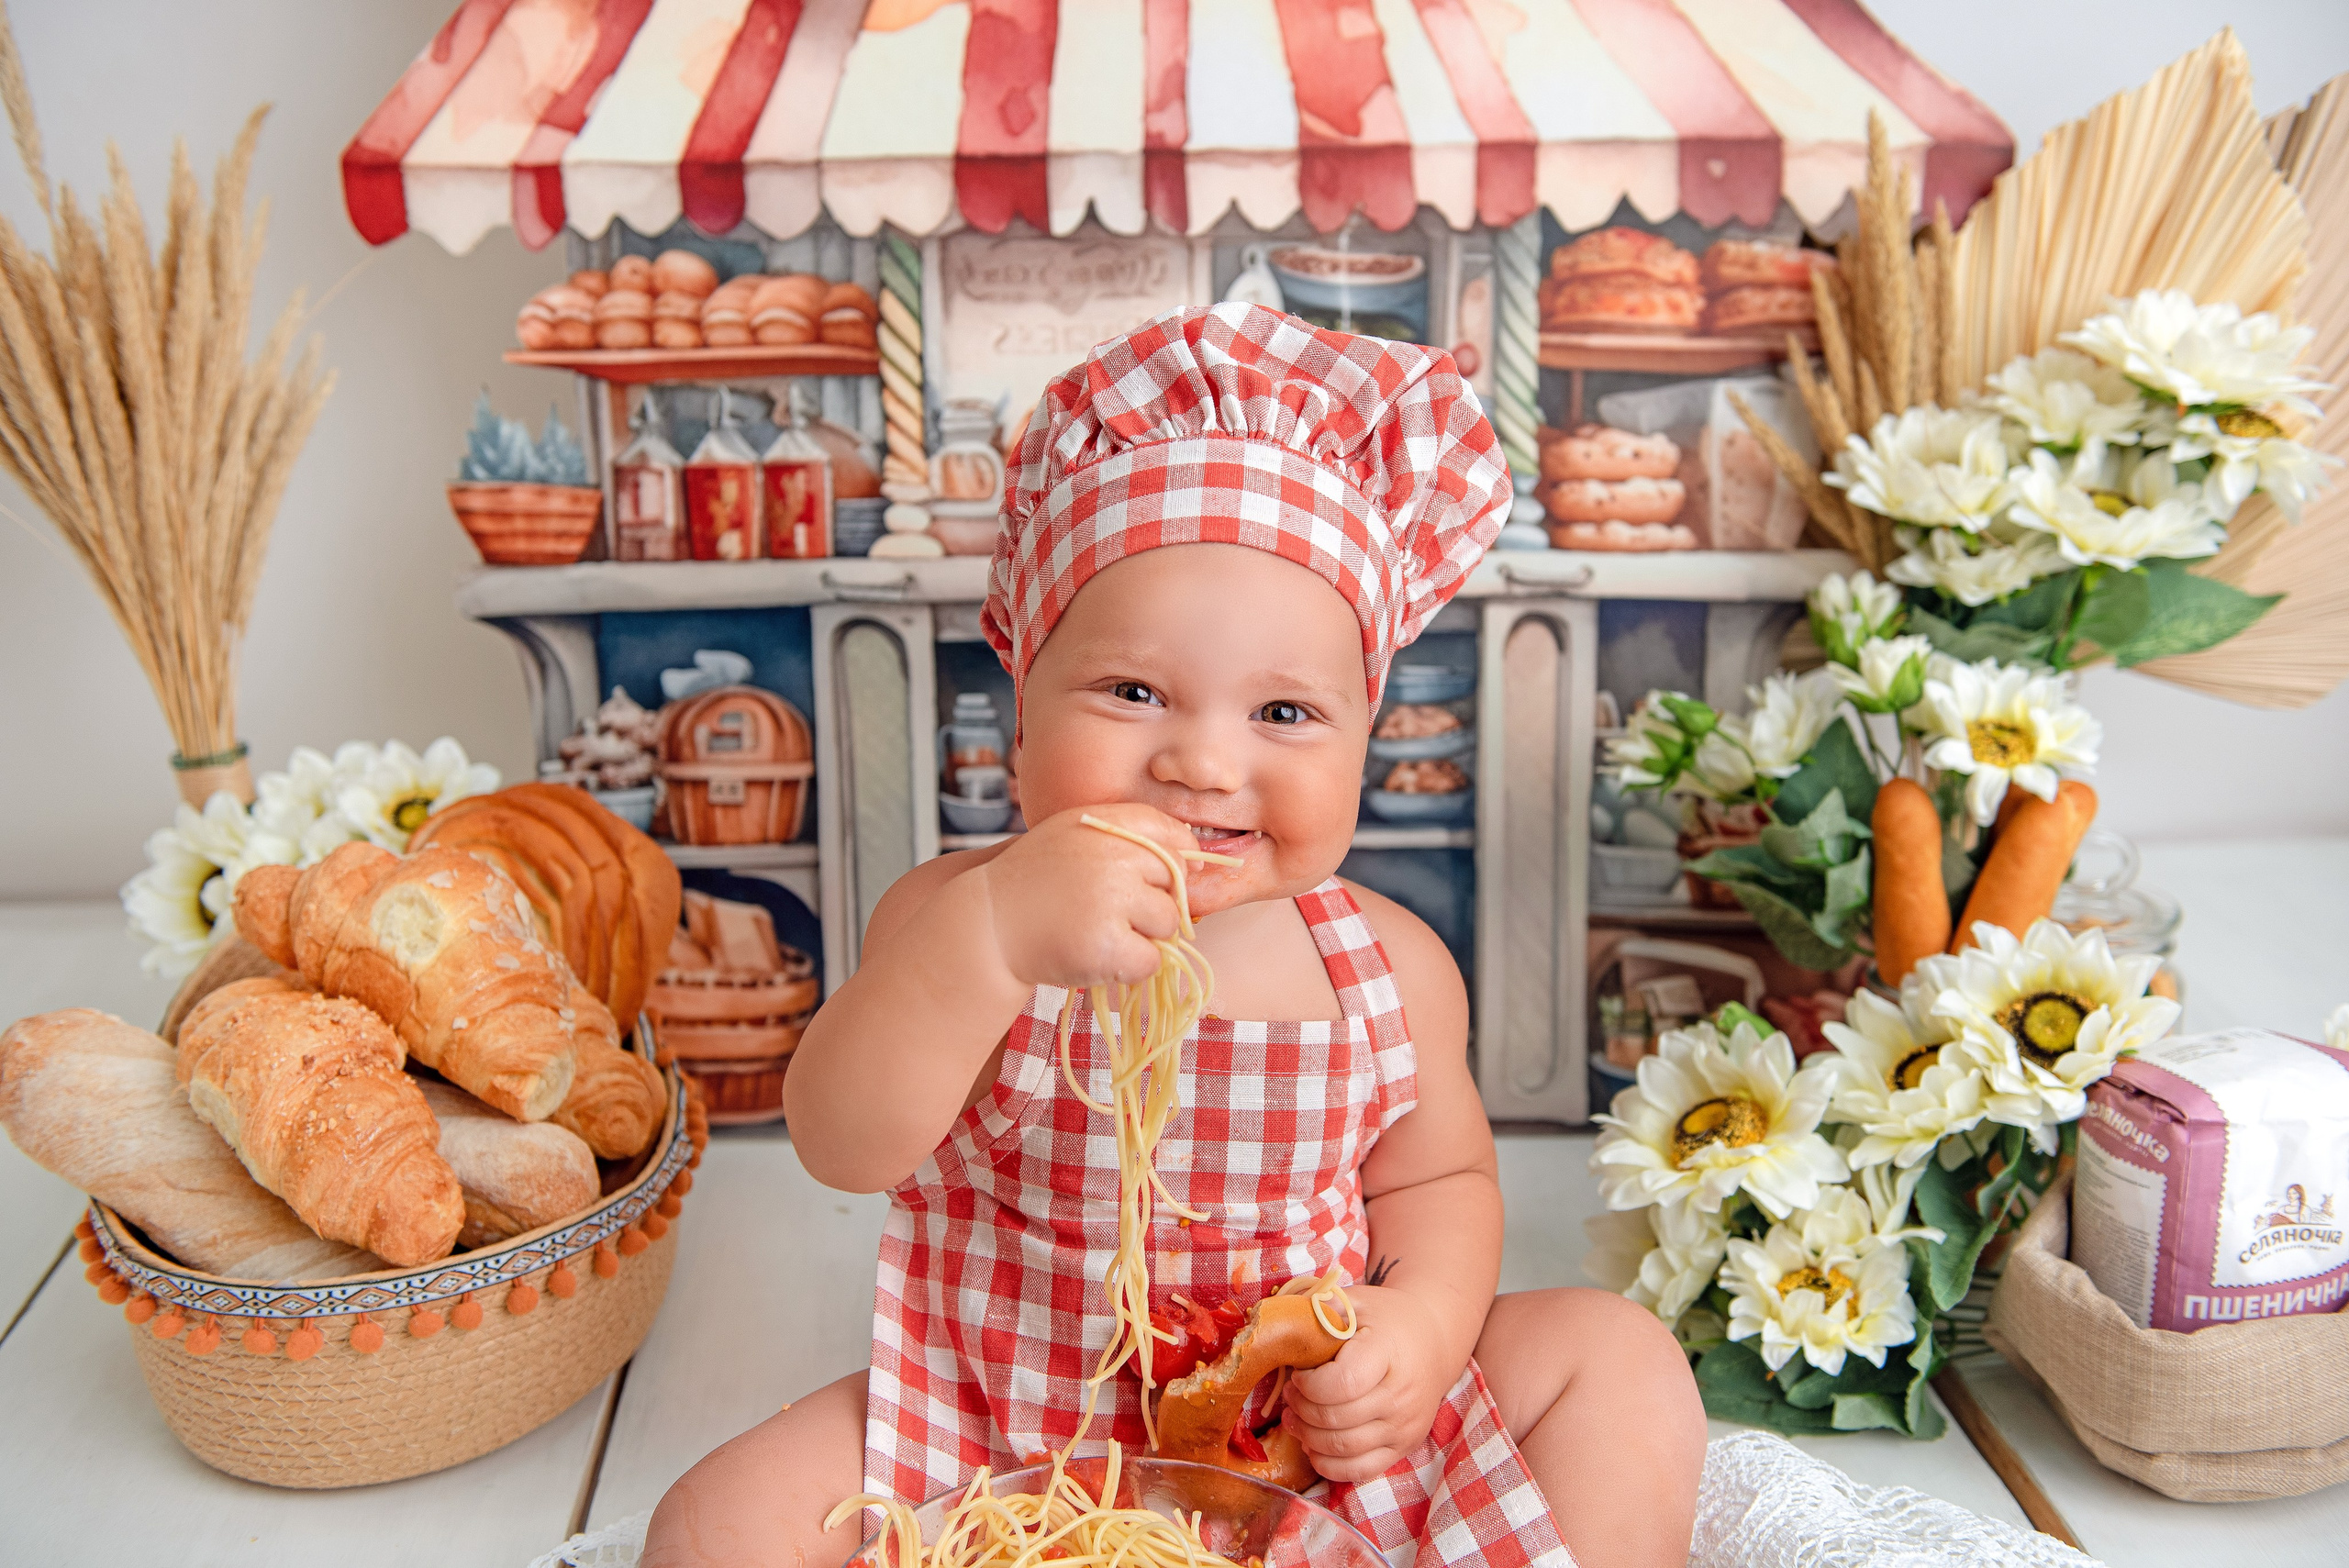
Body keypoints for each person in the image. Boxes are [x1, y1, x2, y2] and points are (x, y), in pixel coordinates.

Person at [643, 306, 1706, 1568]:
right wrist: (989, 942)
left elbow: (1439, 1183)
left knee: (1621, 1359)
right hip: (1011, 1438)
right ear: (1019, 719)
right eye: (1133, 691)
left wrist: (1416, 1329)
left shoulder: (1389, 964)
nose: (1203, 759)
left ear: (1365, 736)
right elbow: (841, 1137)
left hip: (1312, 1454)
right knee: (718, 1524)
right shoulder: (960, 917)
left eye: (1285, 711)